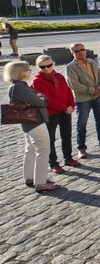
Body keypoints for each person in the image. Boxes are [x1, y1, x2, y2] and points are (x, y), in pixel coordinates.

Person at [5, 60, 59, 192]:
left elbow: (38, 98)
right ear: (20, 72)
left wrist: (40, 97)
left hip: (28, 123)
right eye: (28, 69)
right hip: (35, 122)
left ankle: (30, 177)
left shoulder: (17, 86)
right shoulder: (20, 87)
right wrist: (42, 98)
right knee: (43, 150)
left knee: (30, 150)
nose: (30, 71)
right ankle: (41, 183)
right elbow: (40, 101)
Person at [66, 43, 100, 159]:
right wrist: (92, 90)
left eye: (82, 50)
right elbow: (74, 85)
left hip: (97, 95)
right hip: (83, 98)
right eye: (77, 51)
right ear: (72, 53)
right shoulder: (71, 67)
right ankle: (81, 148)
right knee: (82, 123)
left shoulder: (92, 62)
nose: (80, 52)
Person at [31, 55, 80, 174]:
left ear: (53, 64)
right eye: (42, 67)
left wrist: (71, 105)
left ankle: (68, 158)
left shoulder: (59, 76)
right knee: (50, 139)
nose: (46, 68)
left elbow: (68, 91)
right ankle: (53, 163)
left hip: (65, 111)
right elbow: (47, 99)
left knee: (67, 135)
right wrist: (64, 107)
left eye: (49, 65)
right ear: (38, 67)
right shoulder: (37, 81)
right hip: (50, 113)